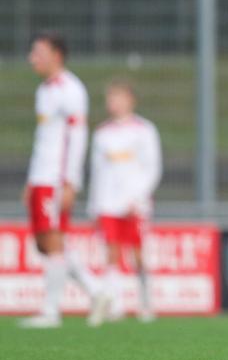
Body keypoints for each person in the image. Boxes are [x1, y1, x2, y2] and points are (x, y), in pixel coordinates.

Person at [20, 32, 110, 328]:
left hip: (56, 179)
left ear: (56, 55)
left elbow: (77, 136)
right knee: (44, 243)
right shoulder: (44, 90)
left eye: (38, 53)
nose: (32, 58)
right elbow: (43, 139)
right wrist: (31, 180)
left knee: (53, 240)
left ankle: (51, 311)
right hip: (40, 177)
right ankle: (97, 290)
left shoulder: (71, 89)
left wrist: (70, 180)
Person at [88, 80, 162, 323]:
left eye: (119, 97)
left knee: (137, 253)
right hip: (107, 202)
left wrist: (137, 197)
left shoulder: (144, 130)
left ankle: (146, 303)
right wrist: (94, 205)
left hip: (134, 204)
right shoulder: (102, 133)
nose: (114, 103)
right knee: (111, 252)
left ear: (131, 100)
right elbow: (97, 171)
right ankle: (115, 305)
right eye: (111, 98)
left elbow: (153, 168)